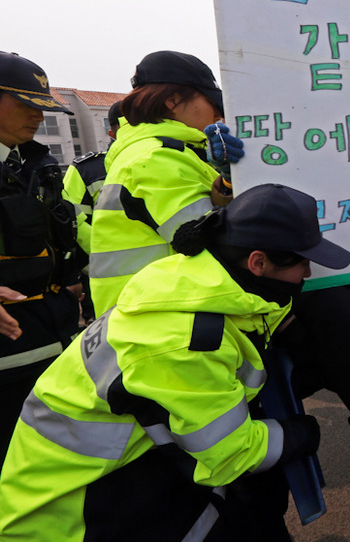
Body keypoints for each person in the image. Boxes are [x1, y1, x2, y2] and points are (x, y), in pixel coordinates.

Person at [0, 183, 348, 540]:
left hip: (95, 470)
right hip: (70, 514)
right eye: (303, 262)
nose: (307, 273)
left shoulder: (192, 275)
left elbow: (254, 311)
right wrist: (302, 433)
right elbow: (231, 455)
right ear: (258, 262)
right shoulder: (189, 340)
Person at [89, 50, 243, 317]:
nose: (219, 112)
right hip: (162, 324)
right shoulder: (156, 158)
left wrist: (227, 185)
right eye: (212, 102)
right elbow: (212, 241)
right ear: (172, 101)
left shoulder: (161, 151)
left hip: (153, 313)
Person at [0, 52, 81, 466]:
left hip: (53, 341)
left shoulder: (33, 165)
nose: (36, 116)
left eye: (41, 107)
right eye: (25, 104)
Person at [62, 100, 123, 323]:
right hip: (101, 275)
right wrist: (105, 255)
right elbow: (73, 222)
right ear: (111, 132)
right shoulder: (86, 170)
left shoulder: (166, 161)